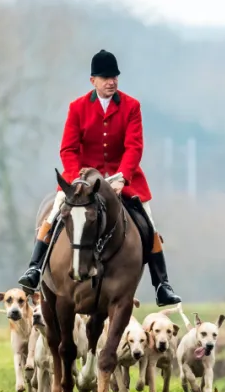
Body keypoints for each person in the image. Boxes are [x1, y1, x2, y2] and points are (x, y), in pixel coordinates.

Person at [17, 49, 182, 306]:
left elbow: (134, 147)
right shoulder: (77, 108)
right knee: (55, 213)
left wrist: (123, 177)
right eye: (105, 77)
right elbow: (68, 149)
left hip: (122, 179)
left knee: (149, 225)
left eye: (114, 76)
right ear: (92, 80)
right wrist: (75, 180)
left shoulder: (131, 106)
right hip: (83, 180)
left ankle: (162, 284)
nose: (111, 82)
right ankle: (35, 268)